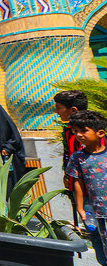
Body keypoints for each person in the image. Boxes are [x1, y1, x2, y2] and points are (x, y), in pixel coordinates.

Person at [55, 90, 106, 265]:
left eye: (59, 108)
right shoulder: (73, 133)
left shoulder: (91, 135)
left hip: (96, 195)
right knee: (97, 235)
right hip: (88, 198)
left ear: (73, 110)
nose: (57, 112)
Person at [66, 110, 107, 261]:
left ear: (100, 133)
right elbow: (78, 182)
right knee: (101, 242)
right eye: (75, 131)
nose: (79, 135)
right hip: (97, 210)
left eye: (84, 131)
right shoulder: (78, 158)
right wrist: (80, 208)